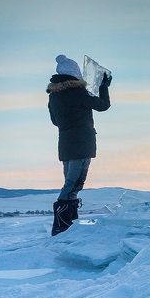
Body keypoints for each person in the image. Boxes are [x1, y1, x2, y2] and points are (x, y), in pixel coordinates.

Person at [47, 54, 112, 235]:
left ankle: (68, 224)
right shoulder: (78, 92)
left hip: (66, 145)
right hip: (82, 143)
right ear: (75, 73)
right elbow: (103, 105)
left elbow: (55, 121)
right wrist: (103, 86)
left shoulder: (54, 96)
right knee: (73, 184)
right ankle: (61, 226)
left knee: (71, 183)